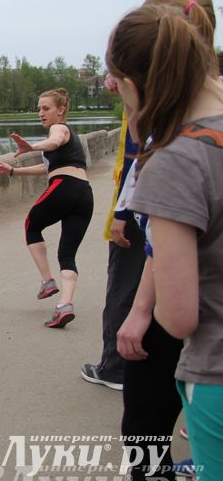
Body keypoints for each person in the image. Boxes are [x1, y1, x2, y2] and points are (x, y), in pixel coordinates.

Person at [109, 0, 221, 481]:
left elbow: (181, 316)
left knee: (147, 432)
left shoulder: (177, 156)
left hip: (208, 356)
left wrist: (140, 309)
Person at [0, 88, 94, 328]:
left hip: (64, 186)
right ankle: (65, 304)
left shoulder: (59, 128)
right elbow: (46, 167)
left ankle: (48, 281)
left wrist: (32, 147)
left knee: (32, 224)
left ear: (61, 111)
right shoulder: (70, 140)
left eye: (46, 108)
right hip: (84, 195)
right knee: (67, 254)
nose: (41, 113)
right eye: (39, 108)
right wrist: (15, 171)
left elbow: (54, 140)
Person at [80, 100, 142, 390]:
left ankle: (114, 368)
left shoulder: (142, 97)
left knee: (123, 288)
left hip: (136, 209)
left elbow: (136, 156)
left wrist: (121, 213)